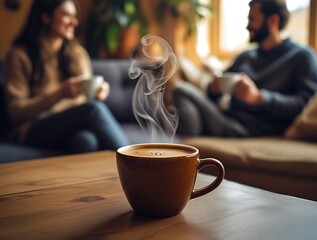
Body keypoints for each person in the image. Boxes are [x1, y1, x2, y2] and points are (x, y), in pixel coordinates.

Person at [173, 0, 317, 137]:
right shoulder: (246, 56)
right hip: (225, 116)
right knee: (173, 109)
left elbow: (304, 104)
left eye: (252, 19)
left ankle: (184, 148)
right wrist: (213, 87)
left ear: (273, 21)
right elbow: (212, 91)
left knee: (181, 90)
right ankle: (183, 146)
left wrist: (259, 98)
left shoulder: (302, 57)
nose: (248, 26)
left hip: (247, 128)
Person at [4, 0, 130, 153]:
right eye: (66, 15)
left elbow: (87, 98)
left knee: (85, 140)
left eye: (75, 16)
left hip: (73, 124)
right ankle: (138, 162)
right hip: (33, 127)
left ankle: (125, 174)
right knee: (93, 110)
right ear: (46, 17)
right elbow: (16, 112)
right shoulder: (19, 56)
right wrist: (60, 94)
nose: (74, 22)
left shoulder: (77, 53)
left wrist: (98, 92)